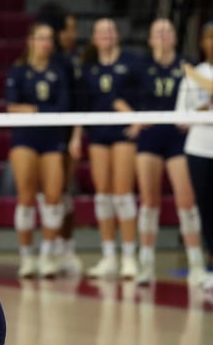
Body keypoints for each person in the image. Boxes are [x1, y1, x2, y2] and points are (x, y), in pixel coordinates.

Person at [130, 19, 204, 285]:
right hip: (149, 136)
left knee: (186, 201)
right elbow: (117, 95)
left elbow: (202, 98)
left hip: (177, 137)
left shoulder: (188, 65)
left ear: (175, 37)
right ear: (150, 39)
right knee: (149, 201)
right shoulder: (140, 67)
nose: (162, 36)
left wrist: (193, 117)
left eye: (168, 31)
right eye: (157, 32)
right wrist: (133, 118)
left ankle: (196, 265)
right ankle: (146, 264)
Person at [72, 18, 141, 278]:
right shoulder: (88, 69)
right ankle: (109, 256)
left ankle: (129, 257)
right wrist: (76, 136)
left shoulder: (131, 63)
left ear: (117, 35)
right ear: (93, 38)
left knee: (123, 194)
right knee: (103, 195)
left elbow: (142, 95)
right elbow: (82, 105)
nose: (106, 35)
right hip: (98, 133)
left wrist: (136, 119)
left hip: (123, 133)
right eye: (101, 31)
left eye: (110, 30)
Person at [5, 22, 70, 277]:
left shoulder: (58, 71)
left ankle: (47, 256)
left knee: (54, 197)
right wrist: (41, 110)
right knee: (26, 197)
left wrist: (31, 109)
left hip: (52, 138)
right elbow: (11, 107)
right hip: (25, 139)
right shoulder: (19, 71)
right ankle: (27, 257)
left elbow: (63, 107)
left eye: (49, 39)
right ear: (31, 41)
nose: (46, 43)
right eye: (41, 38)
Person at [36, 1, 83, 273]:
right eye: (69, 30)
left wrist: (76, 133)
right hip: (50, 134)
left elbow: (77, 103)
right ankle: (51, 249)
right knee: (50, 194)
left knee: (62, 193)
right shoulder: (54, 61)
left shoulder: (71, 62)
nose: (73, 35)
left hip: (67, 134)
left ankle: (65, 247)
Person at [178, 21, 213, 292]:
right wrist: (206, 106)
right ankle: (209, 265)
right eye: (210, 37)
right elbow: (180, 119)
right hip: (199, 149)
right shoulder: (193, 75)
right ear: (202, 42)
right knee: (205, 208)